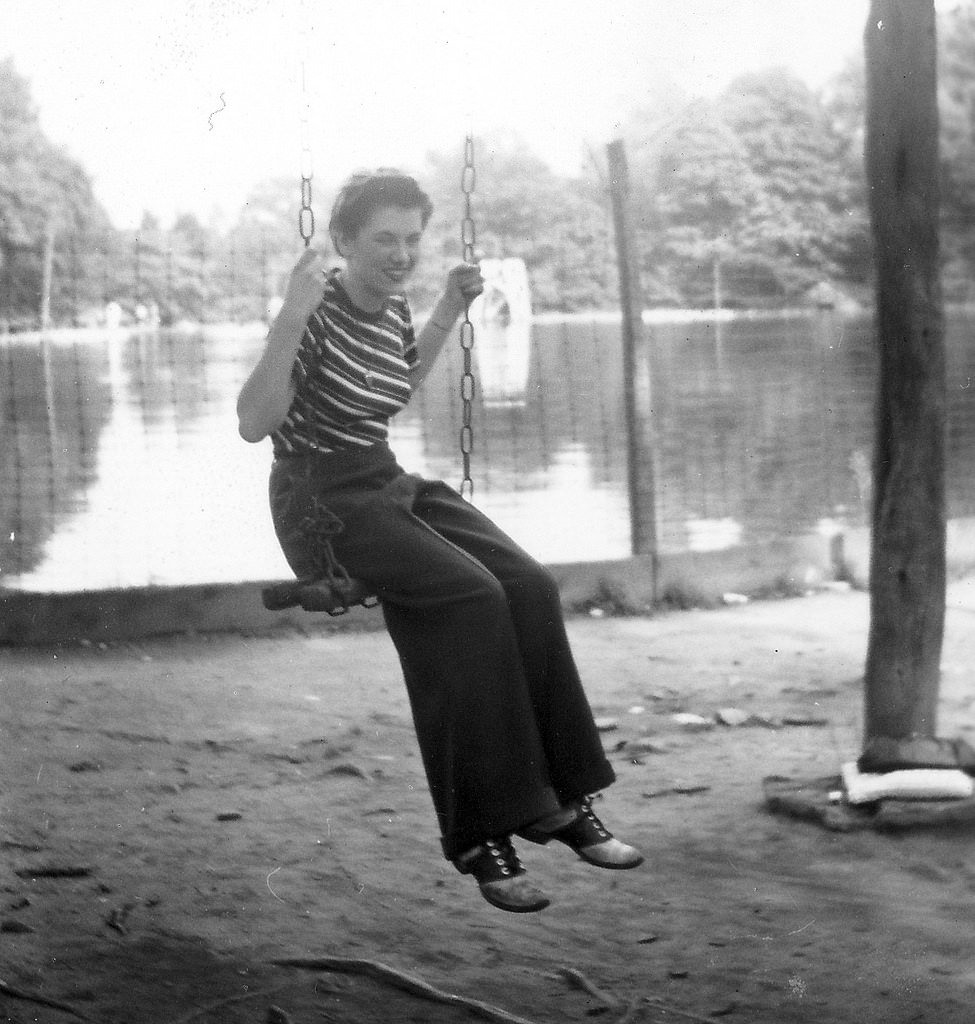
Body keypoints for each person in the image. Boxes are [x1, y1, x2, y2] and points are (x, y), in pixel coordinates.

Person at [236, 169, 643, 914]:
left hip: (380, 478)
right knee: (466, 597)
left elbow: (394, 386)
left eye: (411, 240)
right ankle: (480, 834)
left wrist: (447, 308)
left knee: (524, 584)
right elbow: (255, 422)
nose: (400, 254)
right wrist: (289, 316)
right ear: (344, 243)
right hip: (318, 500)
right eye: (383, 239)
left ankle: (557, 798)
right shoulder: (315, 311)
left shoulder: (390, 314)